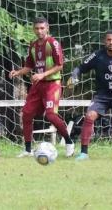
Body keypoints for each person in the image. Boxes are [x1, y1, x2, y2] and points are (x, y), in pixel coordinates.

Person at [68, 30, 112, 161]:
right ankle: (84, 153)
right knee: (89, 116)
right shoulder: (97, 56)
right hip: (101, 96)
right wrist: (74, 76)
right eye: (108, 40)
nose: (111, 42)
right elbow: (80, 68)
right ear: (104, 41)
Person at [9, 17, 74, 158]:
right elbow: (29, 66)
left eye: (42, 28)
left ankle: (69, 142)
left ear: (47, 28)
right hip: (38, 86)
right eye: (37, 28)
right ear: (33, 29)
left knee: (50, 115)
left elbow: (60, 65)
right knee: (26, 114)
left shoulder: (53, 43)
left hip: (52, 84)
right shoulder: (33, 45)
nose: (39, 31)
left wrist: (42, 74)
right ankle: (27, 149)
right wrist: (18, 72)